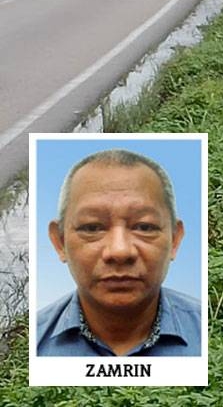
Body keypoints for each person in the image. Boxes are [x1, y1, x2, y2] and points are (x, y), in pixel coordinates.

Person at [36, 149, 200, 357]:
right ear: (60, 242)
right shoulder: (33, 344)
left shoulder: (209, 332)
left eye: (144, 227)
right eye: (93, 228)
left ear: (175, 240)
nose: (120, 251)